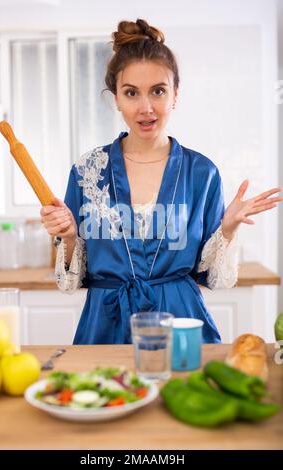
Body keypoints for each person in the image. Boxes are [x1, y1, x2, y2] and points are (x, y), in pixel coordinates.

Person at [40, 18, 283, 344]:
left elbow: (214, 279)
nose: (145, 107)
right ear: (116, 99)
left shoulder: (202, 173)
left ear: (175, 95)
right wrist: (68, 236)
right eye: (131, 93)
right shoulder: (87, 172)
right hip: (106, 326)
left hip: (180, 323)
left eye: (157, 91)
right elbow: (69, 281)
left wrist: (227, 229)